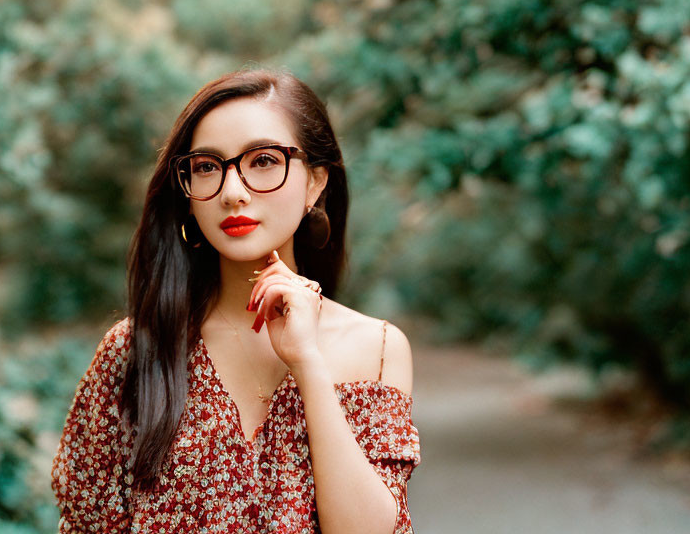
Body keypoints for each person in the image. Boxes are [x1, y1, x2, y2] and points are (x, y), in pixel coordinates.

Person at [51, 67, 421, 533]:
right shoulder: (134, 351)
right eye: (207, 167)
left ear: (315, 182)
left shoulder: (378, 348)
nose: (231, 192)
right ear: (187, 194)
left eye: (263, 161)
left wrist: (307, 362)